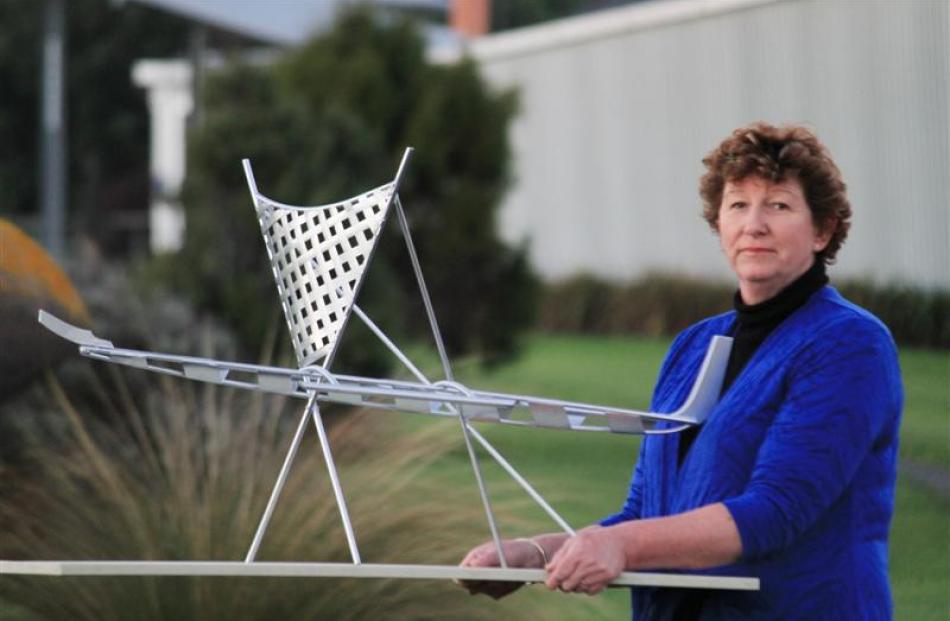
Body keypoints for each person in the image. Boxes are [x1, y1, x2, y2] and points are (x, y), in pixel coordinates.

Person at [458, 123, 903, 620]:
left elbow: (774, 512)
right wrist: (537, 553)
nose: (754, 223)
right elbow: (646, 513)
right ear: (719, 225)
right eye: (737, 204)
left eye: (778, 205)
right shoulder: (692, 346)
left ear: (822, 230)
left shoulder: (850, 344)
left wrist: (620, 545)